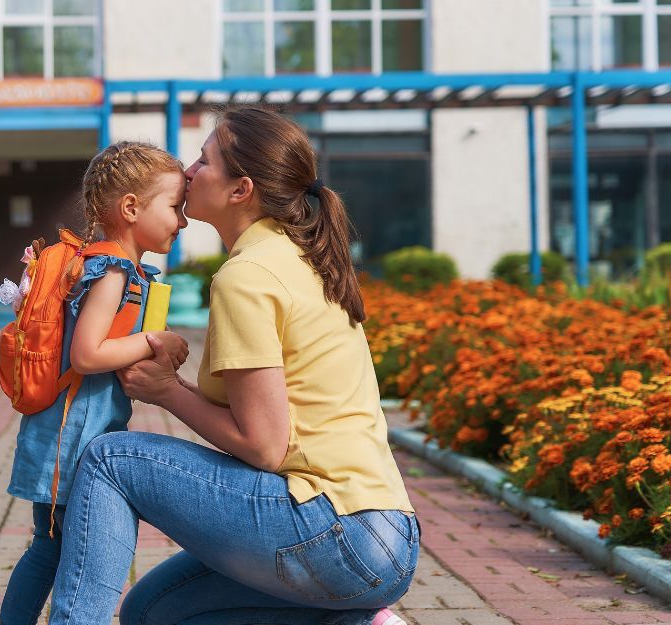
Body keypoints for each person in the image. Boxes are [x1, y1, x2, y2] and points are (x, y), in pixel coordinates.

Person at [45, 108, 419, 625]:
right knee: (152, 612)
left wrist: (167, 391)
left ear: (241, 189)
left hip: (335, 529)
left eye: (204, 160)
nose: (189, 170)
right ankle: (355, 620)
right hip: (386, 542)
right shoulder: (300, 258)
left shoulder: (248, 276)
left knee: (111, 460)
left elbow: (265, 447)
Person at [0, 142, 191, 625]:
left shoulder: (115, 269)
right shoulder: (112, 273)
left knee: (51, 544)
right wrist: (153, 340)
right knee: (50, 547)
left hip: (75, 435)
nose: (183, 221)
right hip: (71, 439)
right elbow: (88, 354)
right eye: (175, 207)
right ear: (131, 208)